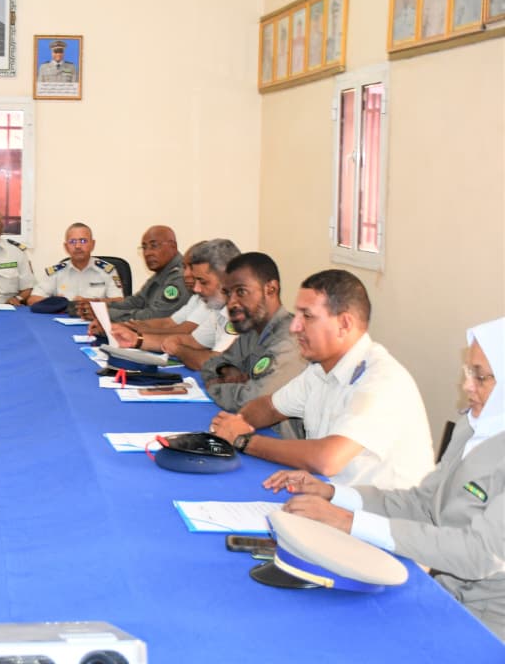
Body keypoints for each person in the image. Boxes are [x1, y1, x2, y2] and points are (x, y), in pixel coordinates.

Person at [266, 317, 505, 639]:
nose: (467, 386)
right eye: (468, 372)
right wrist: (334, 494)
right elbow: (423, 503)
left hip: (489, 624)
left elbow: (478, 554)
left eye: (481, 376)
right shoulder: (474, 427)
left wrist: (348, 522)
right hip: (446, 594)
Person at [210, 269, 434, 489]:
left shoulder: (382, 380)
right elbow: (269, 408)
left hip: (376, 509)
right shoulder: (319, 371)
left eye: (307, 316)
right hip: (330, 494)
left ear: (344, 324)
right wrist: (236, 423)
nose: (295, 326)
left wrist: (244, 441)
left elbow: (327, 459)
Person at [200, 253, 306, 431]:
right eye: (227, 293)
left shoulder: (291, 340)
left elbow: (254, 401)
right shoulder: (253, 330)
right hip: (250, 428)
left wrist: (215, 386)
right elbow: (211, 364)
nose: (231, 303)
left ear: (270, 289)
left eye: (241, 292)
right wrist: (225, 369)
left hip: (279, 439)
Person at [112, 239, 240, 370]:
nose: (196, 289)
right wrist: (135, 339)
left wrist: (179, 349)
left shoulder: (244, 312)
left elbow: (215, 364)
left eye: (203, 282)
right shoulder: (220, 307)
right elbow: (193, 341)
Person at [27, 222, 122, 312]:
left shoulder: (107, 271)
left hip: (95, 319)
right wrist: (59, 303)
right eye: (72, 241)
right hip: (62, 320)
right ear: (66, 246)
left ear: (92, 244)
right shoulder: (56, 272)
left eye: (83, 241)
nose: (78, 246)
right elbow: (32, 300)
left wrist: (90, 303)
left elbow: (119, 301)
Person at [105, 225, 189, 323]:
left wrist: (108, 314)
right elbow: (137, 301)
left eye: (154, 246)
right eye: (144, 248)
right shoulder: (162, 271)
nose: (147, 253)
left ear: (173, 246)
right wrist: (101, 307)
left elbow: (155, 317)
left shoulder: (180, 277)